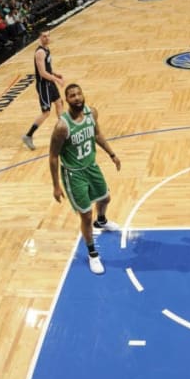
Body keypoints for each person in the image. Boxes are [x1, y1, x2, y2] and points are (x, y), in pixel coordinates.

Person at [49, 84, 121, 275]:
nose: (77, 98)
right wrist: (56, 186)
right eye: (72, 96)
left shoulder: (92, 114)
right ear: (67, 101)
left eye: (79, 94)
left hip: (91, 166)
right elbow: (53, 157)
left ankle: (102, 220)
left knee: (105, 198)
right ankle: (92, 254)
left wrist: (112, 154)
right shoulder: (62, 127)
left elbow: (97, 134)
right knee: (86, 215)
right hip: (74, 174)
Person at [23, 30, 64, 150]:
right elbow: (42, 73)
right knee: (46, 112)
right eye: (44, 36)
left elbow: (47, 68)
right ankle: (28, 135)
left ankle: (63, 131)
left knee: (59, 103)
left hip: (50, 82)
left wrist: (55, 74)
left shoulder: (47, 49)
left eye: (48, 36)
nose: (46, 38)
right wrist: (57, 80)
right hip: (44, 85)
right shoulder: (40, 52)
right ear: (40, 38)